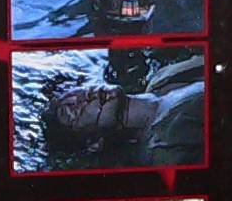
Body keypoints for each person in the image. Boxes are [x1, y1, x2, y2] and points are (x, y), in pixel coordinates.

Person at [48, 53, 205, 167]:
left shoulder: (161, 78)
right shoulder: (166, 150)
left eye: (75, 93)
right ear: (94, 143)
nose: (82, 98)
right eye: (72, 112)